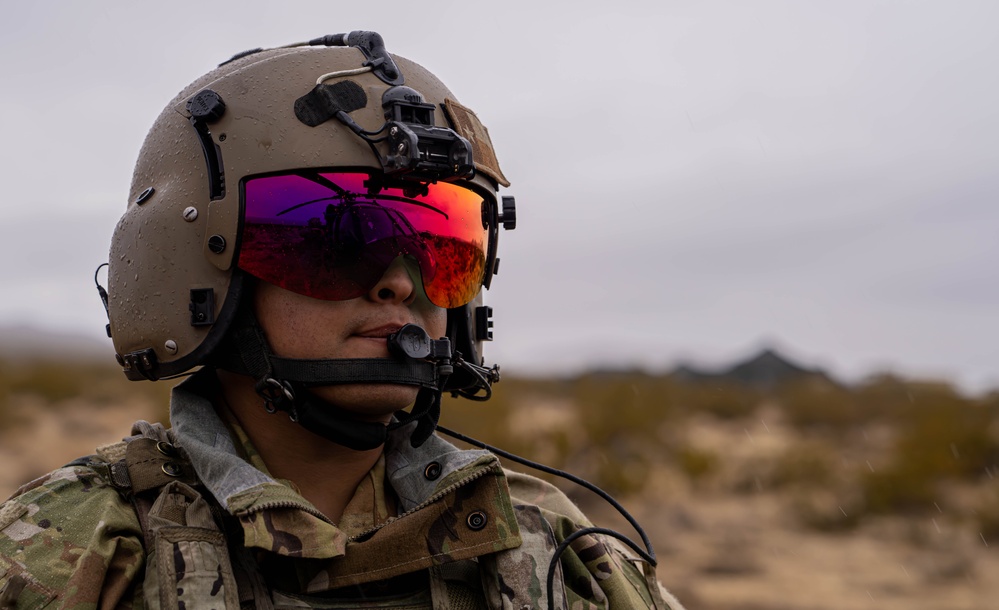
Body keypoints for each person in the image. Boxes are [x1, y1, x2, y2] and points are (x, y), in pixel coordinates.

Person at [0, 31, 685, 609]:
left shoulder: (559, 550)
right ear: (195, 270)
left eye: (439, 249)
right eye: (334, 246)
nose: (397, 283)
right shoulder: (68, 550)